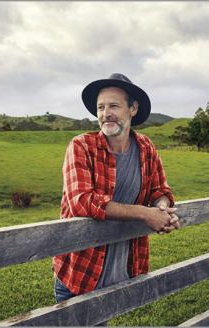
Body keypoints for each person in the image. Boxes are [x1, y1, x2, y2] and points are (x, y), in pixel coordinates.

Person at [52, 73, 179, 304]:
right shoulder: (82, 145)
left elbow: (160, 190)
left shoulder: (145, 147)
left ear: (133, 109)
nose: (105, 113)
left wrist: (162, 209)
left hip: (123, 266)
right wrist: (145, 213)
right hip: (81, 270)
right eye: (100, 107)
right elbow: (81, 201)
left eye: (114, 106)